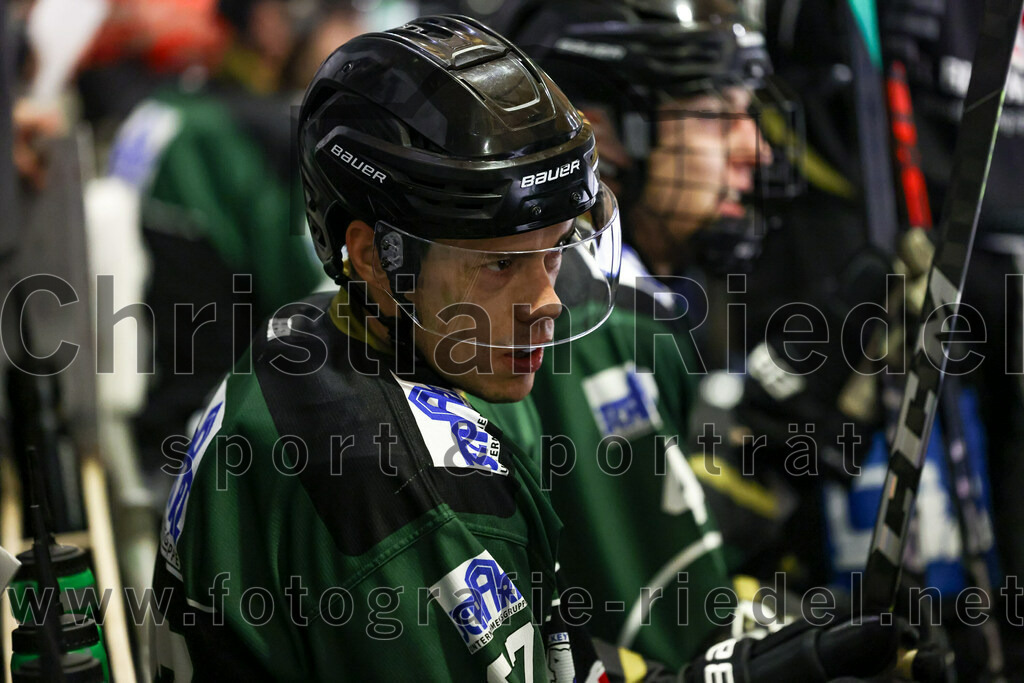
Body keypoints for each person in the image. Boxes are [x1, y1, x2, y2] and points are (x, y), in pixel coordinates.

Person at [149, 14, 624, 679]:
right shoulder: (396, 485)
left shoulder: (314, 331)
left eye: (553, 251)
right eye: (498, 265)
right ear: (374, 256)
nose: (546, 301)